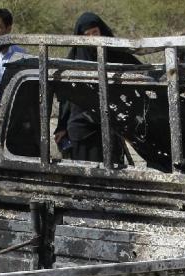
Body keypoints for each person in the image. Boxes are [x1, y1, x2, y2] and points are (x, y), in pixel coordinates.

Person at [53, 12, 139, 163]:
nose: (93, 39)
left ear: (102, 32)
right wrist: (61, 126)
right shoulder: (73, 60)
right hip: (81, 130)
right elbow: (66, 99)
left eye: (95, 33)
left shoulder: (115, 55)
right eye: (87, 35)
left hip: (111, 126)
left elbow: (140, 71)